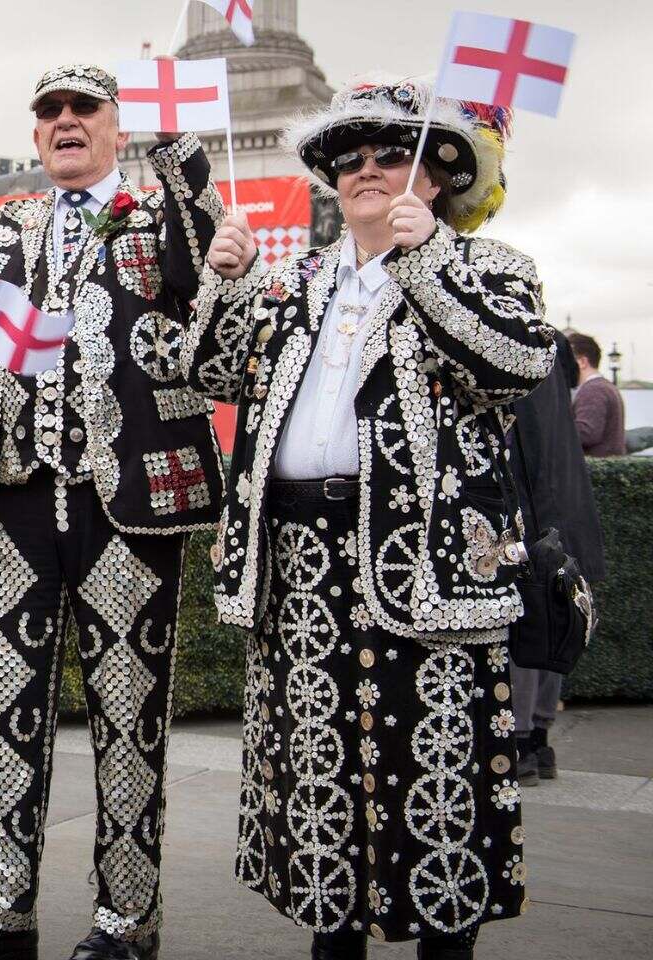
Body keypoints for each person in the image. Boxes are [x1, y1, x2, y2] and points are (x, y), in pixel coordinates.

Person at [185, 77, 552, 960]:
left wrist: (425, 263)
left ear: (437, 174)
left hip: (425, 568)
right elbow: (212, 374)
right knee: (320, 783)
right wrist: (226, 285)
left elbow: (517, 366)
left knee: (438, 782)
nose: (368, 171)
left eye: (393, 152)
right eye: (348, 158)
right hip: (303, 567)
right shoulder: (303, 279)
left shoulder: (489, 265)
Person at [0, 65, 225, 960]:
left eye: (83, 110)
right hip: (13, 496)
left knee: (128, 708)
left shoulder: (160, 215)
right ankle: (2, 913)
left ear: (115, 129)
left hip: (132, 506)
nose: (65, 123)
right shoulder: (10, 222)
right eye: (50, 114)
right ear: (36, 136)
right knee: (5, 708)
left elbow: (202, 265)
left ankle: (126, 920)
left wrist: (181, 156)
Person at [505, 331, 604, 784]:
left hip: (533, 502)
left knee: (528, 623)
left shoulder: (513, 350)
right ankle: (538, 740)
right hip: (566, 501)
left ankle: (524, 740)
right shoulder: (551, 348)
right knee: (557, 613)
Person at [566, 332, 626, 457]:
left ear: (582, 362)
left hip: (595, 470)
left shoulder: (593, 390)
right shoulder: (606, 386)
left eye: (567, 362)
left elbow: (586, 434)